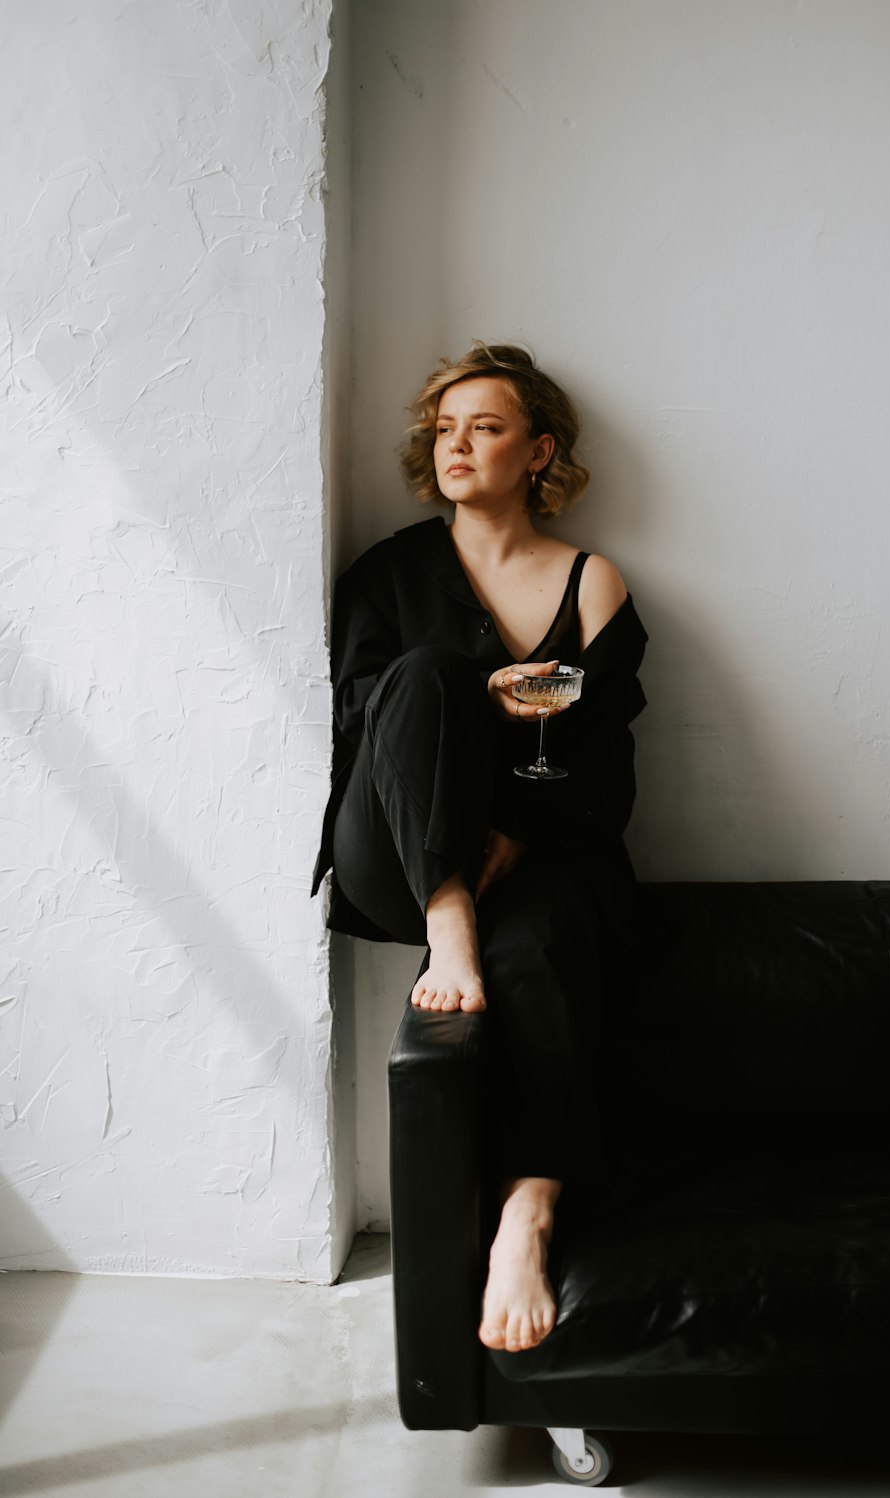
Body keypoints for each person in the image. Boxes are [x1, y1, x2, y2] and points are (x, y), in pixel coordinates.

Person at [310, 341, 648, 1355]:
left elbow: (603, 764)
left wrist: (515, 830)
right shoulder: (388, 574)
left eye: (485, 426)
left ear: (539, 449)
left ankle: (527, 1213)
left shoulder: (591, 583)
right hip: (399, 859)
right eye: (443, 428)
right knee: (422, 677)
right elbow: (357, 730)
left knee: (533, 947)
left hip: (548, 845)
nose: (455, 444)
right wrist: (470, 691)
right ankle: (448, 914)